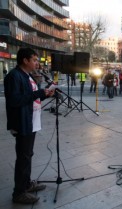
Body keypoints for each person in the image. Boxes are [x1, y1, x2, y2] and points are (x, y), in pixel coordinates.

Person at [4, 48, 55, 204]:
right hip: (22, 122)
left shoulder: (27, 76)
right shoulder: (14, 76)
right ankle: (19, 193)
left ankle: (26, 184)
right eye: (34, 60)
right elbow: (15, 100)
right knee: (23, 158)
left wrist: (44, 95)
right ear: (25, 60)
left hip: (31, 121)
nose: (36, 63)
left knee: (28, 155)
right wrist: (39, 93)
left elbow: (31, 98)